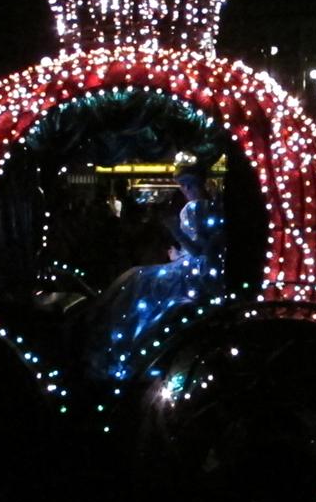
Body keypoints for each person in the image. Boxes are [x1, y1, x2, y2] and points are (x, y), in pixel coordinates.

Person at [92, 161, 224, 379]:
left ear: (194, 183)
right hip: (205, 269)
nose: (184, 190)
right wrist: (178, 254)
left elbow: (199, 249)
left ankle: (126, 350)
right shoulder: (213, 207)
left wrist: (174, 230)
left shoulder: (194, 208)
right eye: (182, 185)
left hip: (196, 271)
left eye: (186, 184)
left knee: (140, 281)